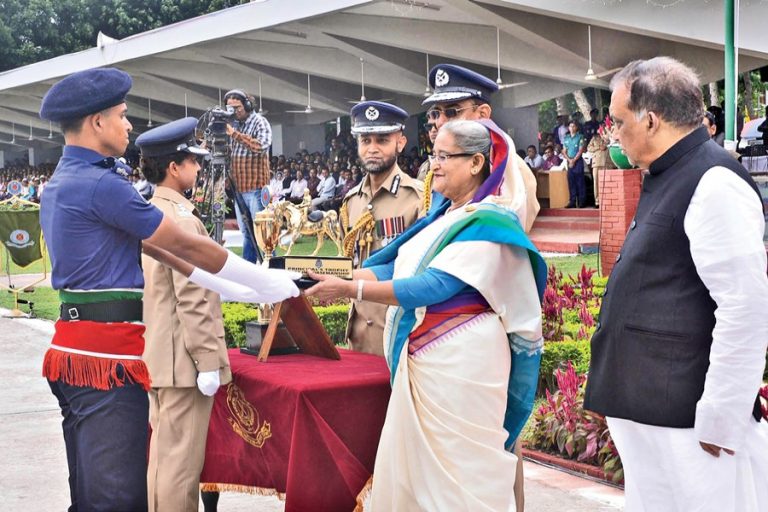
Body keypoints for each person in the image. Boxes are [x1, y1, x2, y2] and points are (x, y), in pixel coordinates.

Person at [38, 68, 299, 511]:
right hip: (107, 359)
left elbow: (172, 260)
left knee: (90, 491)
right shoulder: (102, 185)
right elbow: (185, 245)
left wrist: (252, 291)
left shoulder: (65, 180)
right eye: (121, 116)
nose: (129, 125)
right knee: (117, 497)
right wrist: (271, 280)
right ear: (97, 122)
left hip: (77, 351)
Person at [307, 119, 546, 511]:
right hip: (427, 360)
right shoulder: (443, 217)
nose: (434, 164)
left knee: (461, 476)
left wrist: (350, 288)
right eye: (434, 155)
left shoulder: (489, 221)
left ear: (475, 163)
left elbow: (433, 287)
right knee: (416, 478)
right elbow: (395, 267)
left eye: (444, 156)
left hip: (463, 362)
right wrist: (332, 276)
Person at [584, 57, 768, 512]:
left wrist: (721, 418)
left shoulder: (713, 181)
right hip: (658, 416)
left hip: (691, 425)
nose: (614, 134)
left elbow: (744, 307)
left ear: (650, 119)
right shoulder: (671, 174)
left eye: (619, 122)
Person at [133, 118, 233, 512]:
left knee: (162, 459)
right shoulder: (182, 220)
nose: (198, 168)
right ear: (174, 167)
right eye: (193, 161)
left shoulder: (146, 211)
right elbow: (193, 297)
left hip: (158, 354)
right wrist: (208, 360)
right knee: (180, 468)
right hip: (183, 360)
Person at [340, 101, 423, 355]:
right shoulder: (351, 201)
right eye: (365, 140)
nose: (372, 149)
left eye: (382, 140)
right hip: (358, 337)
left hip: (398, 335)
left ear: (400, 143)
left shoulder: (418, 199)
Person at [423, 63, 539, 231]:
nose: (440, 122)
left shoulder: (510, 169)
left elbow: (510, 232)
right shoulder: (439, 163)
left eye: (452, 112)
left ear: (482, 114)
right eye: (438, 113)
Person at [224, 89, 272, 263]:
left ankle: (271, 269)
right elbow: (231, 154)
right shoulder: (235, 125)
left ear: (247, 105)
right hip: (239, 189)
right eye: (230, 108)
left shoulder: (260, 122)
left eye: (237, 107)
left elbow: (261, 146)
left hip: (256, 188)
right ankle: (249, 271)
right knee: (247, 234)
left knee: (262, 233)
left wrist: (234, 135)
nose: (233, 112)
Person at [561, 120, 586, 208]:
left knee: (580, 181)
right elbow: (564, 151)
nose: (572, 128)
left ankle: (581, 201)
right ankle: (572, 201)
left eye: (573, 126)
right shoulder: (566, 138)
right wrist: (569, 160)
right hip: (569, 161)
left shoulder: (580, 137)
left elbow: (581, 150)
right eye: (570, 126)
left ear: (577, 127)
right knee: (571, 181)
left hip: (577, 161)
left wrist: (574, 160)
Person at [585, 121, 610, 207]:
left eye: (603, 127)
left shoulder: (609, 136)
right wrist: (599, 147)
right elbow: (589, 147)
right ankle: (597, 201)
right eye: (600, 127)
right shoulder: (595, 138)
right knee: (596, 182)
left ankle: (607, 200)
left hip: (607, 162)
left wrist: (605, 145)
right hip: (596, 162)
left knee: (607, 182)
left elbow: (611, 143)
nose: (602, 129)